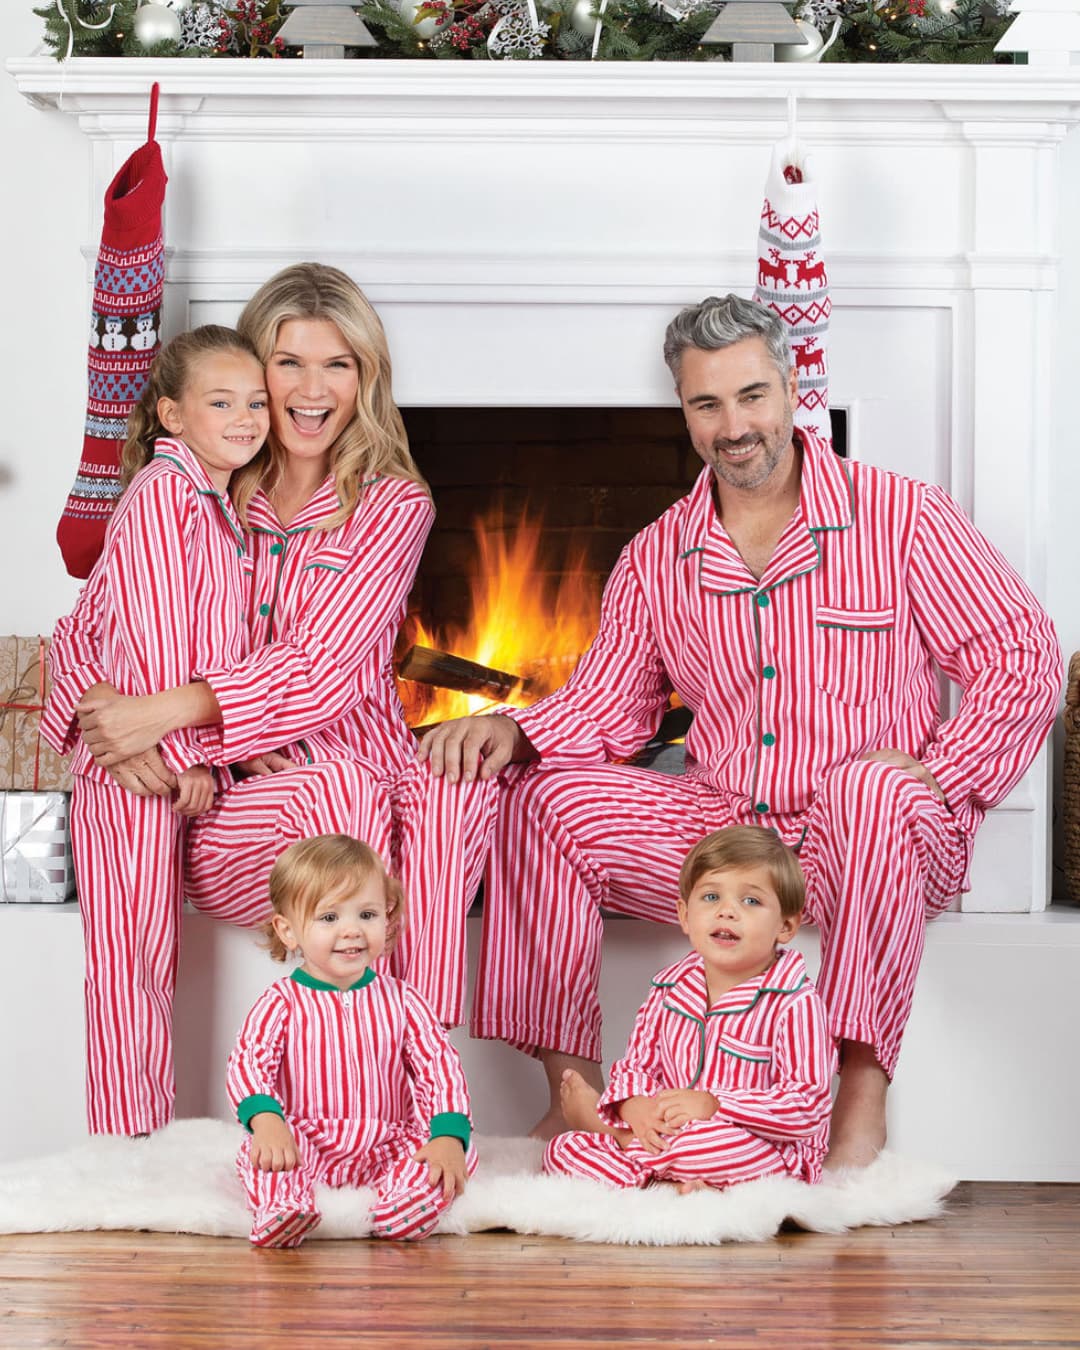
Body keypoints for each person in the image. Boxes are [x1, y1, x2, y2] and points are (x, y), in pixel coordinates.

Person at [422, 293, 1062, 1168]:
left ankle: (860, 1099)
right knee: (547, 798)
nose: (735, 425)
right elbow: (611, 706)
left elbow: (1020, 655)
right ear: (682, 410)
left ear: (791, 388)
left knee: (867, 787)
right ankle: (576, 1096)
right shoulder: (659, 554)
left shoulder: (903, 515)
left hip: (873, 831)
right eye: (706, 404)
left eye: (752, 395)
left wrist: (940, 773)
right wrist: (518, 733)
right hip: (727, 826)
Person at [43, 264, 498, 1135]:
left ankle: (405, 1106)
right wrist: (106, 720)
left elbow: (321, 670)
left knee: (383, 799)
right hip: (207, 801)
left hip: (316, 789)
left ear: (366, 380)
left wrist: (168, 715)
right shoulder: (205, 487)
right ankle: (134, 1145)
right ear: (254, 373)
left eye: (340, 365)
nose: (311, 388)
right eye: (288, 363)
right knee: (173, 811)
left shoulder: (391, 506)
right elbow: (83, 623)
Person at [40, 325, 271, 1137]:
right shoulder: (165, 496)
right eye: (221, 402)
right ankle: (126, 1148)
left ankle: (140, 1140)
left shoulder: (213, 505)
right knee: (130, 963)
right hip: (133, 771)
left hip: (156, 756)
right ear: (172, 413)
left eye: (255, 402)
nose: (246, 418)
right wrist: (188, 755)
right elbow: (155, 634)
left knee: (147, 960)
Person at [544, 827, 834, 1191]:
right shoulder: (668, 990)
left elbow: (806, 1105)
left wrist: (716, 1105)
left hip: (761, 1146)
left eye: (751, 902)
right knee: (562, 1150)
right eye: (711, 897)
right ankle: (667, 1181)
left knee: (706, 1147)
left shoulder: (795, 1002)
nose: (727, 912)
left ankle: (627, 1150)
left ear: (786, 926)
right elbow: (637, 1066)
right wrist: (633, 1106)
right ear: (684, 916)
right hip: (669, 1131)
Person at [227, 834, 476, 1248]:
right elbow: (249, 1063)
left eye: (367, 914)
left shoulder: (403, 999)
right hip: (309, 1140)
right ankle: (285, 1207)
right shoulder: (281, 1003)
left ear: (387, 918)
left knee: (452, 1155)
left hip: (388, 1140)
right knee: (259, 1153)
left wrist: (447, 1135)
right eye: (329, 918)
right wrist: (267, 1121)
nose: (352, 931)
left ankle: (403, 1206)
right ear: (288, 931)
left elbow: (439, 1065)